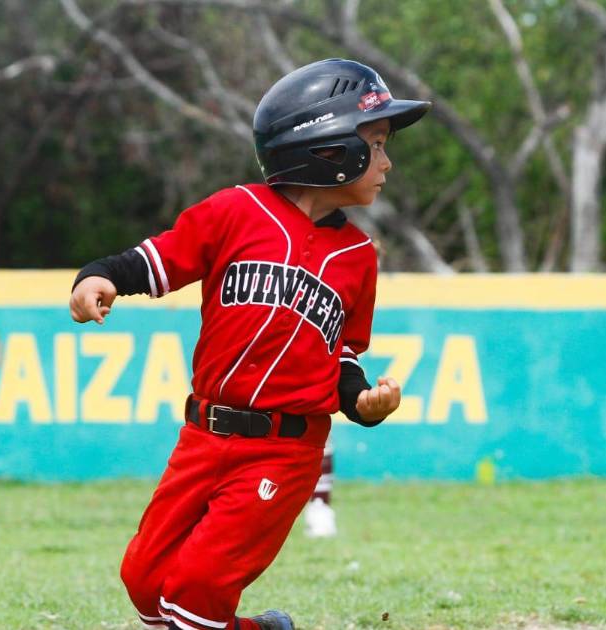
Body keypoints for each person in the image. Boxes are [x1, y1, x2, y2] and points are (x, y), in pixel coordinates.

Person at [69, 59, 428, 630]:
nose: (386, 162)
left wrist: (361, 402)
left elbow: (341, 354)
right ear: (328, 148)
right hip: (203, 436)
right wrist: (101, 275)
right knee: (146, 583)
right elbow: (158, 259)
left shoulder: (358, 257)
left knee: (197, 592)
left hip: (283, 450)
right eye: (377, 143)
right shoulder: (236, 211)